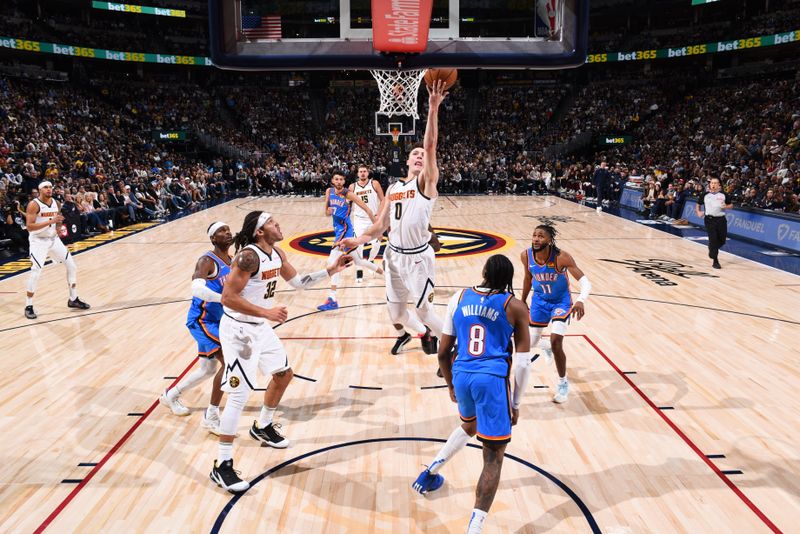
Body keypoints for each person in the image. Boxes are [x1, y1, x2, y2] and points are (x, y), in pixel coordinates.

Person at [210, 210, 352, 493]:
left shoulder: (276, 253)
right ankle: (222, 465)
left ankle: (262, 425)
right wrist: (267, 311)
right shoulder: (248, 257)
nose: (279, 224)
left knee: (284, 374)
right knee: (238, 397)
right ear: (260, 231)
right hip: (239, 331)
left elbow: (299, 283)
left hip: (260, 326)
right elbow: (228, 298)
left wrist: (332, 270)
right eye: (273, 222)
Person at [412, 255, 531, 534]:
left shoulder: (459, 297)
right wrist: (515, 403)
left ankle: (429, 473)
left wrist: (451, 384)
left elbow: (442, 352)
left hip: (462, 375)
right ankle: (474, 529)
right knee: (493, 456)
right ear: (508, 278)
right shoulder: (515, 306)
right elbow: (524, 363)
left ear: (484, 272)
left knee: (469, 425)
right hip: (491, 380)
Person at [337, 80, 448, 356]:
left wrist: (433, 109)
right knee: (397, 313)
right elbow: (380, 226)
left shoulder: (426, 183)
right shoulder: (394, 188)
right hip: (393, 256)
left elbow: (431, 145)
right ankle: (421, 334)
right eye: (415, 154)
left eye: (423, 155)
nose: (421, 156)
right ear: (407, 162)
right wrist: (357, 239)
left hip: (418, 258)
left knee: (424, 309)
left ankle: (453, 347)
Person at [159, 222, 233, 435]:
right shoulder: (207, 260)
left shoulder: (232, 259)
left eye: (228, 230)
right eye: (221, 231)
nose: (227, 233)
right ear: (213, 239)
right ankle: (212, 416)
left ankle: (170, 395)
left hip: (219, 319)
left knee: (208, 369)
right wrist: (223, 299)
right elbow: (197, 287)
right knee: (229, 363)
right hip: (202, 320)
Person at [520, 225, 591, 404]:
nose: (536, 239)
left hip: (560, 301)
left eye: (541, 236)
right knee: (532, 342)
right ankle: (546, 346)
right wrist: (522, 301)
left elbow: (586, 283)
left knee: (556, 340)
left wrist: (581, 300)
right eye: (534, 235)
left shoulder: (562, 257)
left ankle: (563, 383)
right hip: (539, 301)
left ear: (549, 240)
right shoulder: (526, 255)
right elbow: (528, 278)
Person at [24, 181, 90, 319]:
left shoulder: (56, 202)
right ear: (40, 190)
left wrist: (58, 226)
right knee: (36, 271)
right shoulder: (33, 204)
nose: (49, 189)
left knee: (72, 266)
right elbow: (29, 227)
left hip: (53, 240)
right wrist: (51, 222)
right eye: (46, 188)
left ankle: (73, 299)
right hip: (38, 241)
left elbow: (58, 217)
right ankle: (28, 305)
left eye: (50, 187)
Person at [317, 171, 383, 311]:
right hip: (338, 230)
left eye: (341, 179)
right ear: (332, 181)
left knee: (332, 262)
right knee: (359, 261)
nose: (339, 181)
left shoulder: (348, 194)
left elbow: (366, 208)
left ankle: (332, 298)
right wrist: (330, 209)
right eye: (336, 179)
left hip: (345, 231)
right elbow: (327, 212)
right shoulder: (329, 191)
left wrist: (376, 228)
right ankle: (387, 275)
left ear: (344, 181)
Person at [348, 165, 385, 282]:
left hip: (373, 218)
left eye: (364, 171)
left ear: (368, 173)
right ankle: (359, 270)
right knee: (359, 245)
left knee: (378, 241)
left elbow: (383, 200)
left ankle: (370, 260)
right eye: (360, 172)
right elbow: (347, 203)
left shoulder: (375, 184)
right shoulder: (352, 187)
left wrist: (378, 214)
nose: (363, 173)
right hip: (359, 219)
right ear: (357, 174)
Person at [694, 177, 732, 269]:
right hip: (709, 220)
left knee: (722, 240)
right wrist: (698, 212)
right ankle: (715, 261)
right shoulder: (705, 194)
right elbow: (698, 204)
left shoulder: (724, 195)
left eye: (715, 183)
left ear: (719, 185)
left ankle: (712, 248)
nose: (713, 184)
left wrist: (726, 206)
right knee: (713, 239)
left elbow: (731, 205)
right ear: (710, 184)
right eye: (712, 183)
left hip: (721, 220)